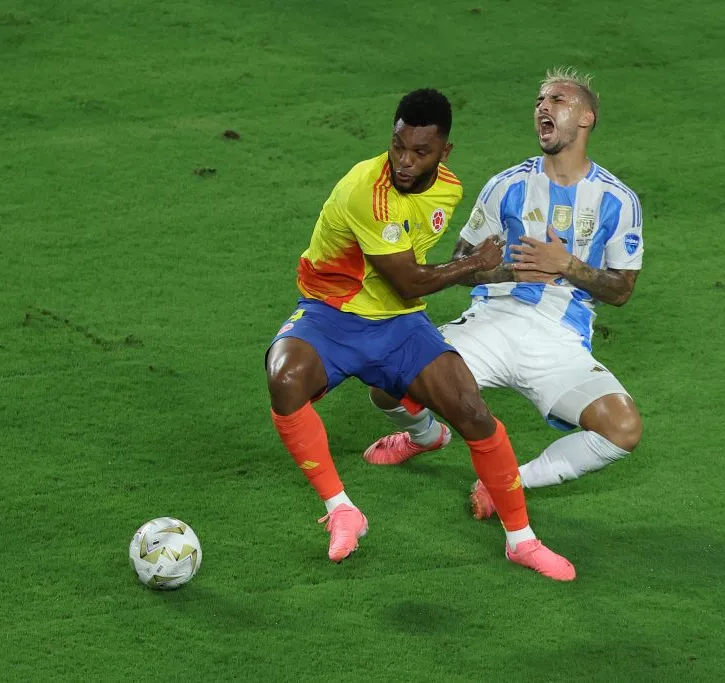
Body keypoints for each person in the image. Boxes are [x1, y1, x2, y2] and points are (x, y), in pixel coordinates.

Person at [265, 88, 575, 581]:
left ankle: (522, 540)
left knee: (473, 410)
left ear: (444, 152)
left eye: (420, 152)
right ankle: (343, 510)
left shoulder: (448, 189)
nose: (405, 162)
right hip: (332, 316)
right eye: (398, 146)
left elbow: (410, 281)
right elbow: (408, 277)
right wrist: (473, 263)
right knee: (284, 379)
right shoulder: (364, 190)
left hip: (399, 322)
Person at [363, 69, 644, 521]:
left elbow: (621, 290)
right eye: (539, 100)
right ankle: (423, 435)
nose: (543, 107)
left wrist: (567, 265)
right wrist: (512, 269)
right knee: (383, 381)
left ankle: (511, 478)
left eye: (557, 99)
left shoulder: (618, 200)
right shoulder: (507, 185)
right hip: (492, 323)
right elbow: (460, 265)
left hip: (559, 339)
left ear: (587, 118)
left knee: (622, 429)